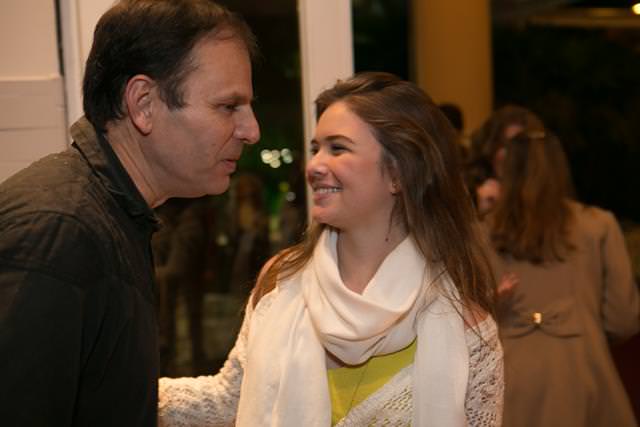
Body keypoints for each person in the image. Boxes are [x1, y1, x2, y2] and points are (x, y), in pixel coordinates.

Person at [158, 72, 503, 426]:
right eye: (315, 149)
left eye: (338, 148)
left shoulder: (466, 328)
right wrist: (132, 386)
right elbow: (230, 399)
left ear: (398, 173)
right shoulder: (281, 281)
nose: (314, 166)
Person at [0, 0, 259, 424]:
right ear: (143, 104)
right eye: (228, 107)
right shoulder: (58, 232)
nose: (252, 130)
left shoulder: (115, 216)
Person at [486, 131, 639, 426]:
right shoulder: (599, 226)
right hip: (582, 371)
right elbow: (623, 318)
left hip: (507, 378)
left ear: (506, 170)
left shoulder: (480, 231)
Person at [466, 105, 544, 216]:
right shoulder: (467, 197)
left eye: (521, 147)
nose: (513, 155)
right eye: (505, 145)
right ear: (489, 148)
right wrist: (481, 212)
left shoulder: (553, 204)